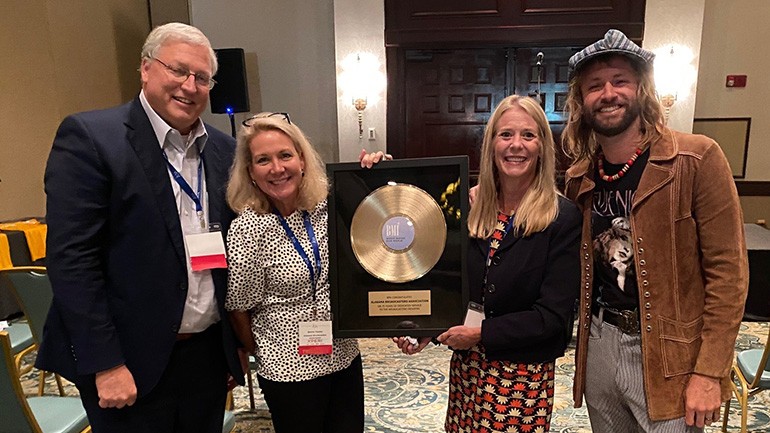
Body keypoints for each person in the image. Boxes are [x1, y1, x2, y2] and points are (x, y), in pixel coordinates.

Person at [37, 22, 243, 433]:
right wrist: (105, 363)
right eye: (178, 70)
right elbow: (72, 261)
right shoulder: (92, 138)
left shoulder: (225, 150)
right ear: (146, 68)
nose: (190, 85)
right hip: (126, 359)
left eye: (202, 77)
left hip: (204, 357)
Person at [562, 29, 749, 432]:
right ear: (581, 101)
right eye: (595, 86)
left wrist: (709, 372)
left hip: (672, 359)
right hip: (599, 343)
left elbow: (729, 275)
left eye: (620, 81)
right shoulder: (580, 178)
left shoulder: (696, 159)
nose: (608, 93)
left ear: (641, 89)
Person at [396, 94, 581, 432]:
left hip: (521, 377)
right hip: (468, 371)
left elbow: (553, 317)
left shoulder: (562, 217)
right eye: (506, 134)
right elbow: (452, 285)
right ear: (491, 143)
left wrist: (481, 333)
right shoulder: (470, 208)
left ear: (542, 145)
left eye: (528, 135)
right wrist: (427, 329)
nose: (516, 145)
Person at [225, 113, 383, 432]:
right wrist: (265, 351)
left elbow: (381, 215)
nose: (277, 168)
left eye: (285, 155)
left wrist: (380, 171)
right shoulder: (248, 228)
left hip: (342, 352)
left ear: (302, 159)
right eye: (263, 160)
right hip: (286, 365)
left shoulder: (327, 206)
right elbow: (239, 307)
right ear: (251, 172)